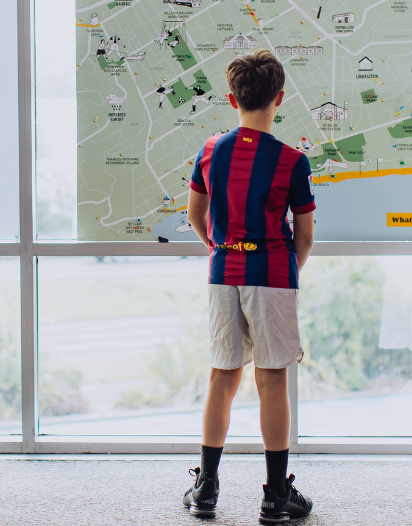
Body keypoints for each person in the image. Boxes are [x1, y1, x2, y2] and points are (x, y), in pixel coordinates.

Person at [182, 49, 316, 524]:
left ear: (231, 97)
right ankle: (276, 494)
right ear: (279, 98)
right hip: (272, 273)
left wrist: (221, 249)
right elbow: (304, 237)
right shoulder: (292, 161)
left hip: (223, 272)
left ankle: (206, 489)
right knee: (272, 378)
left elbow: (196, 216)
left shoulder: (210, 150)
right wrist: (283, 270)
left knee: (222, 376)